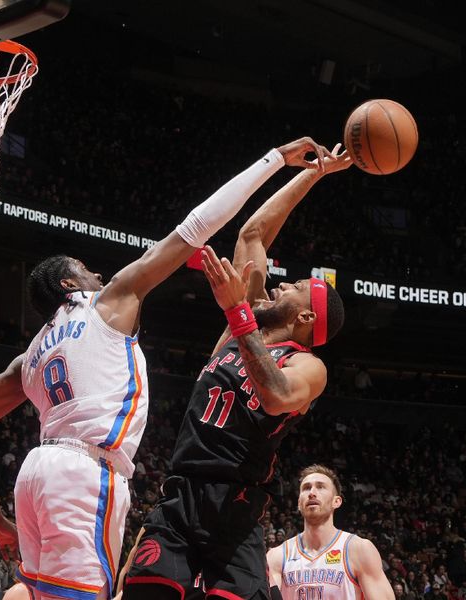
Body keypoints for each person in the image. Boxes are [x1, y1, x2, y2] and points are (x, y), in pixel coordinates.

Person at [0, 137, 335, 600]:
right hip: (120, 480)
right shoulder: (114, 303)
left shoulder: (31, 354)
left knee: (36, 591)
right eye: (89, 271)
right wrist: (282, 162)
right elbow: (215, 230)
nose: (100, 276)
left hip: (63, 475)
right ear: (71, 285)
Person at [122, 145, 352, 600]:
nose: (285, 283)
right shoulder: (241, 328)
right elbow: (253, 234)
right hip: (181, 494)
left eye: (297, 287)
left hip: (236, 507)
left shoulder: (309, 365)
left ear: (306, 319)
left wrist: (237, 311)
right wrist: (316, 174)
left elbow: (276, 396)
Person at [267, 465, 394, 600]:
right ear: (299, 503)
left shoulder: (358, 549)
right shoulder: (276, 556)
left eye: (320, 487)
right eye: (306, 488)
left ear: (336, 501)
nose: (312, 492)